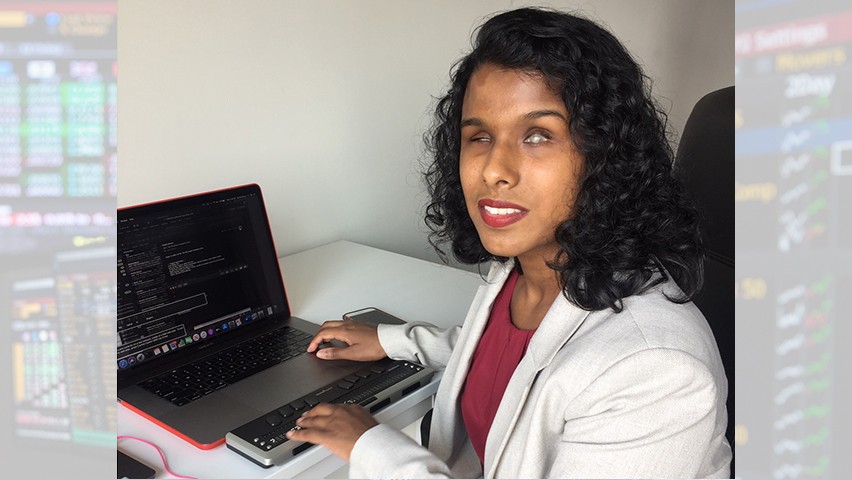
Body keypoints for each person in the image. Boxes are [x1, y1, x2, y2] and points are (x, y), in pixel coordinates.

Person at [286, 7, 732, 479]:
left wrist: (373, 446)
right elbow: (507, 358)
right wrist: (394, 340)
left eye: (537, 136)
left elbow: (564, 370)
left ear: (606, 154)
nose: (494, 169)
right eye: (479, 137)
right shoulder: (525, 270)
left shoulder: (656, 373)